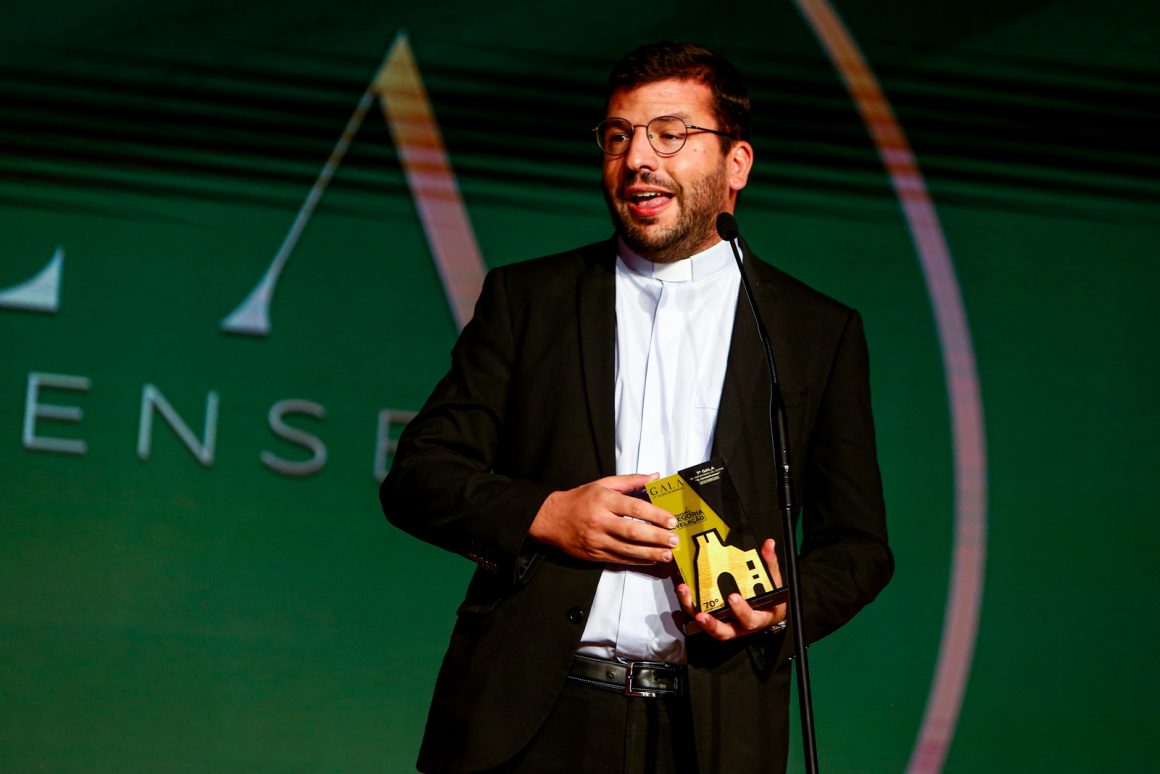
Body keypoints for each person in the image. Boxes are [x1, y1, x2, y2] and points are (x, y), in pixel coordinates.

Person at [381, 41, 893, 774]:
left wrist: (782, 605)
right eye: (619, 136)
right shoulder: (531, 300)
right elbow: (419, 475)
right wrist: (548, 515)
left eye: (670, 134)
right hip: (530, 719)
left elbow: (859, 548)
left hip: (710, 732)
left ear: (737, 164)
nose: (637, 160)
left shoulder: (813, 331)